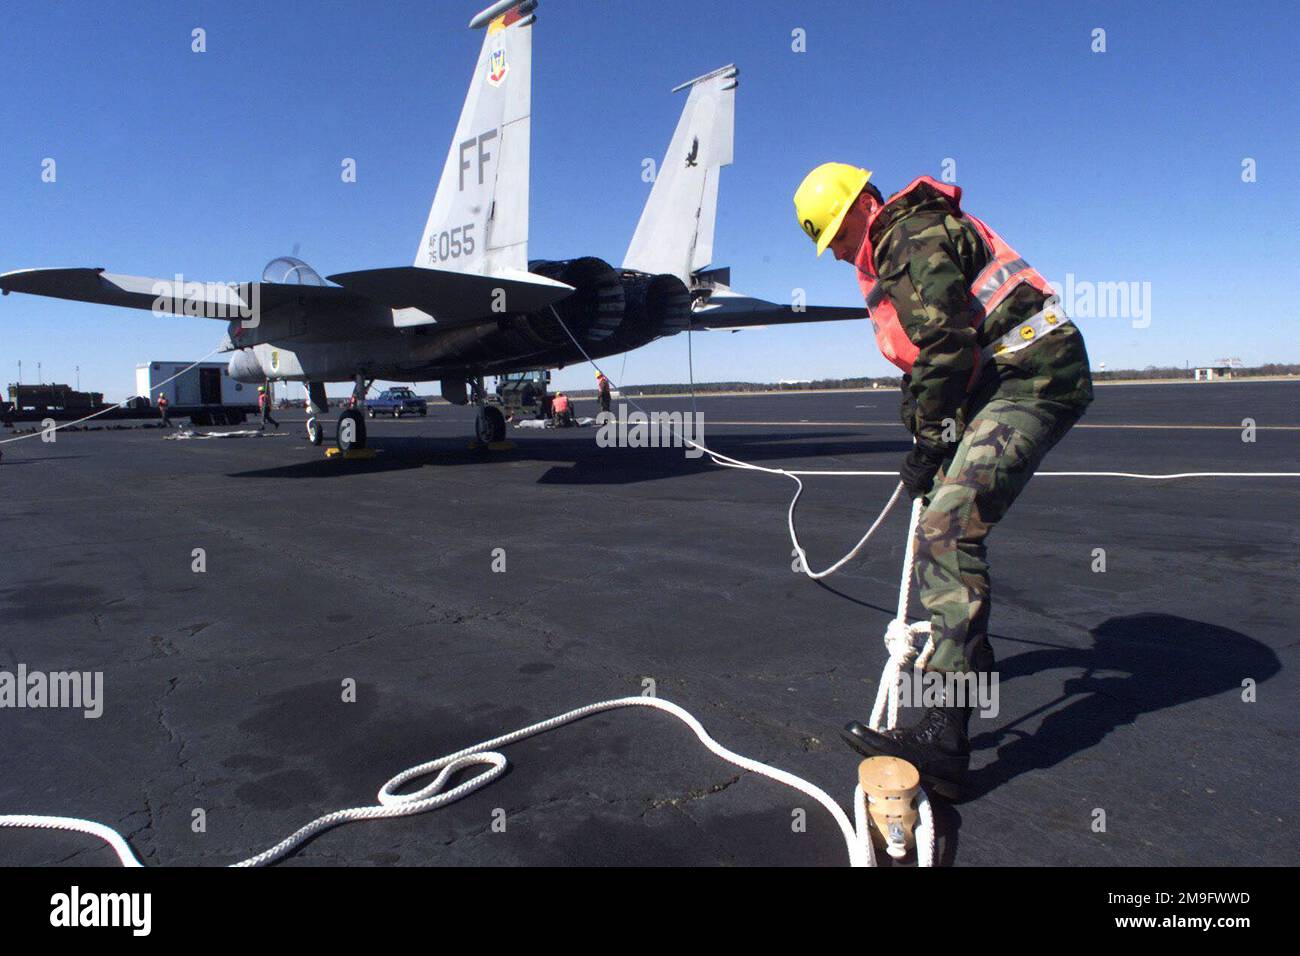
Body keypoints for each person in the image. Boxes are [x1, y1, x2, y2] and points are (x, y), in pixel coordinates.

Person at [793, 163, 1093, 798]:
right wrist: (925, 426)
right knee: (943, 526)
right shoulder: (901, 242)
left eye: (838, 238)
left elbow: (949, 345)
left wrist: (931, 439)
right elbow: (933, 359)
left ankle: (946, 744)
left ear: (862, 207)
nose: (840, 254)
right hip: (1002, 381)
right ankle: (967, 671)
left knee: (945, 532)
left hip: (1034, 377)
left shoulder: (909, 236)